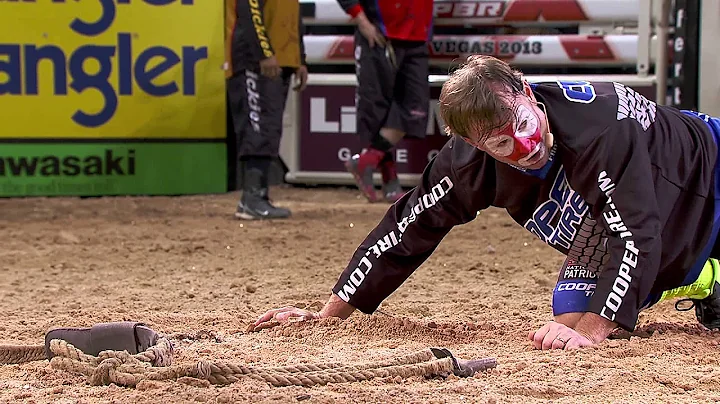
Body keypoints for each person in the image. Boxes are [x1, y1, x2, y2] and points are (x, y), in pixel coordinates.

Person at [252, 55, 720, 351]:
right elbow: (404, 229)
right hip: (642, 216)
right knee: (569, 314)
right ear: (475, 144)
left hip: (705, 168)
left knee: (593, 321)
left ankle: (690, 269)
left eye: (521, 121)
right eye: (500, 142)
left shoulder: (600, 126)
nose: (523, 144)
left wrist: (593, 334)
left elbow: (636, 232)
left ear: (527, 92)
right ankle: (701, 278)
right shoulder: (465, 165)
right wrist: (326, 316)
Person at [337, 0, 434, 203]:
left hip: (416, 34)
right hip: (379, 33)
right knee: (376, 109)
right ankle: (390, 182)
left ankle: (367, 160)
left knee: (415, 109)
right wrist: (362, 21)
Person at [225, 0, 308, 220]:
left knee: (270, 127)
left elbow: (292, 14)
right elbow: (248, 9)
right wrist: (263, 53)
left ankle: (258, 196)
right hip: (254, 59)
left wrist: (299, 58)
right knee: (257, 126)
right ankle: (252, 198)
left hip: (280, 58)